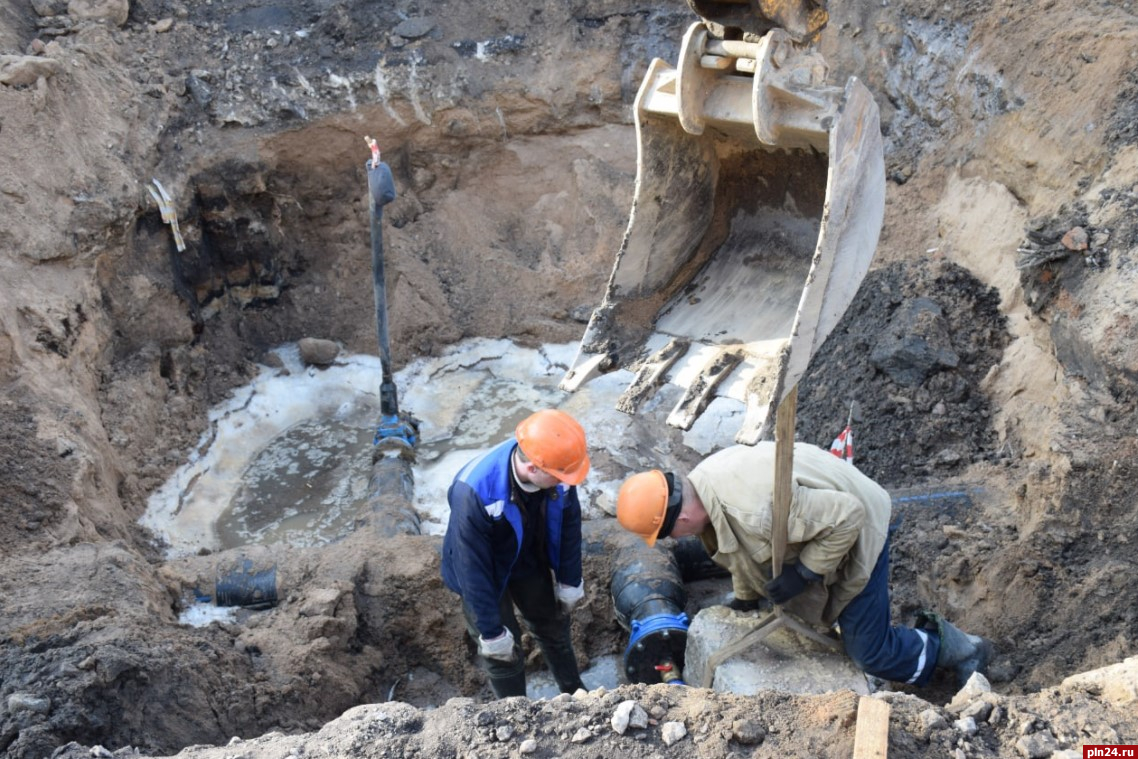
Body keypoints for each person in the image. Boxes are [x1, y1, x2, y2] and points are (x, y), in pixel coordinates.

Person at [615, 442, 993, 687]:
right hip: (823, 515)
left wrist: (806, 572)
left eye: (668, 537)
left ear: (679, 522)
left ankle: (964, 649)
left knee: (869, 651)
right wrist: (746, 600)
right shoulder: (705, 486)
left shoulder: (754, 510)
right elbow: (738, 552)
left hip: (861, 525)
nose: (674, 543)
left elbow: (850, 516)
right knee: (810, 608)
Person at [441, 409, 591, 698]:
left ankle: (575, 693)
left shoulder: (556, 470)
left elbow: (569, 527)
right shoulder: (475, 492)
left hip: (526, 559)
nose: (569, 481)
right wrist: (491, 631)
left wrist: (570, 580)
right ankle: (516, 712)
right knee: (501, 651)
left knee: (552, 623)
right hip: (483, 572)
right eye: (562, 475)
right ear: (533, 469)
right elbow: (471, 567)